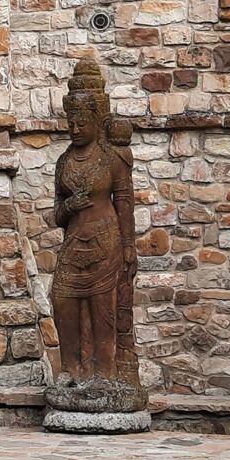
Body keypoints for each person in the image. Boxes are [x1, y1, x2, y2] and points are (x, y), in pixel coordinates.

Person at [51, 58, 140, 389]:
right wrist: (69, 206)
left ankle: (104, 371)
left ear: (97, 122)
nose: (74, 128)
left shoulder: (111, 159)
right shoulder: (63, 163)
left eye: (81, 122)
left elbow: (125, 202)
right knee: (62, 299)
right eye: (70, 121)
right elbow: (57, 213)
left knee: (104, 309)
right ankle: (71, 369)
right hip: (74, 243)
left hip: (106, 242)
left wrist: (129, 245)